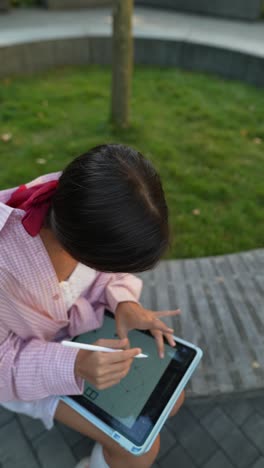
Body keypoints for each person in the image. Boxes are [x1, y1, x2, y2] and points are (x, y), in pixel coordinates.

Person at [0, 144, 184, 468]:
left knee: (172, 398)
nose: (114, 270)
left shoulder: (76, 203)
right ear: (86, 249)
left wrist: (124, 301)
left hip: (87, 339)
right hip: (32, 370)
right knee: (138, 451)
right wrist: (75, 365)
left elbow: (108, 274)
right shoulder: (7, 264)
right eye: (112, 263)